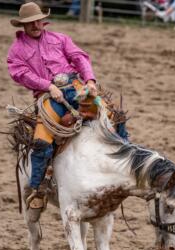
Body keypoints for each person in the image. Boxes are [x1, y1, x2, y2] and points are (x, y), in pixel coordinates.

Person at [7, 2, 128, 209]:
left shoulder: (59, 38)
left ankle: (126, 157)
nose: (36, 25)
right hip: (48, 96)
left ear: (43, 21)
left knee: (114, 116)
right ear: (23, 26)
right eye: (30, 22)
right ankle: (38, 189)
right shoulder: (16, 50)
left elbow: (79, 57)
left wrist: (90, 81)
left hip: (76, 86)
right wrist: (47, 85)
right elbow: (20, 73)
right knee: (42, 141)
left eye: (38, 21)